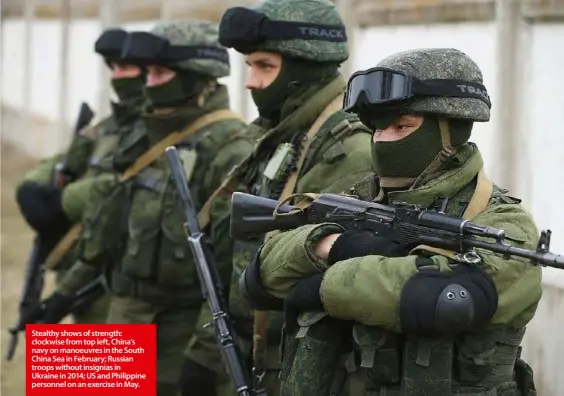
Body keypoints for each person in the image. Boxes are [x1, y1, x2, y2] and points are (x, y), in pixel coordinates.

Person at [251, 48, 542, 396]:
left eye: (402, 126)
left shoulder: (502, 224)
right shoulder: (357, 200)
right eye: (377, 128)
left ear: (451, 131)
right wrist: (329, 245)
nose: (383, 140)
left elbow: (447, 300)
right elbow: (258, 280)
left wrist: (324, 286)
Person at [36, 20, 254, 396]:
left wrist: (205, 358)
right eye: (147, 72)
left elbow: (233, 269)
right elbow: (109, 223)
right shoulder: (144, 132)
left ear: (197, 77)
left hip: (178, 332)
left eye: (159, 73)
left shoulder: (230, 147)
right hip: (123, 309)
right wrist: (62, 295)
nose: (148, 83)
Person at [182, 1, 374, 395]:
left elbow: (320, 269)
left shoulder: (344, 149)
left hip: (290, 360)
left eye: (264, 67)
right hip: (245, 345)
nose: (250, 81)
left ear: (303, 69)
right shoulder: (280, 134)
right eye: (250, 65)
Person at [15, 27, 148, 325]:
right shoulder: (107, 126)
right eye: (112, 68)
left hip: (118, 275)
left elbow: (129, 183)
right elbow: (63, 158)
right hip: (80, 270)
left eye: (125, 67)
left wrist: (63, 200)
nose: (117, 76)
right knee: (77, 368)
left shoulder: (157, 129)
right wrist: (32, 187)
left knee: (111, 368)